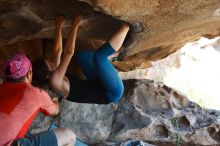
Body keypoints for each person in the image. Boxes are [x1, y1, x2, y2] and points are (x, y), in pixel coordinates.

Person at [33, 14, 130, 104]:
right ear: (46, 76)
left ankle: (109, 59)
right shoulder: (55, 81)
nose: (52, 63)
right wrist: (75, 25)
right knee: (99, 57)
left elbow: (57, 51)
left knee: (82, 56)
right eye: (49, 65)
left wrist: (58, 26)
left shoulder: (53, 75)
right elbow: (68, 53)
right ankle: (127, 25)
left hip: (96, 81)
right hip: (111, 92)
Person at [0, 54, 75, 146]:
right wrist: (56, 101)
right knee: (69, 136)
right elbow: (55, 110)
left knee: (26, 135)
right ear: (29, 73)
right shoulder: (34, 93)